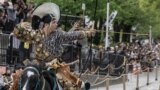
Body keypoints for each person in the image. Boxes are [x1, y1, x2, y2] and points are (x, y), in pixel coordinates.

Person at [11, 2, 95, 89]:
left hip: (54, 66)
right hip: (37, 64)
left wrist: (87, 33)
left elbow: (71, 35)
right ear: (47, 24)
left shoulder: (58, 34)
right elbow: (19, 34)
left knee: (69, 83)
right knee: (19, 78)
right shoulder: (36, 34)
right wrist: (20, 26)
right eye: (54, 22)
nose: (56, 24)